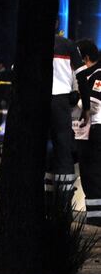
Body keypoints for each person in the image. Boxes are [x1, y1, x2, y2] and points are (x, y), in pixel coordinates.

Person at [49, 28, 85, 199]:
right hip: (61, 102)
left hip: (36, 103)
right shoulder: (68, 44)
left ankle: (43, 197)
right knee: (63, 150)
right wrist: (83, 104)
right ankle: (64, 203)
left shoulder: (31, 42)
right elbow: (82, 75)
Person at [75, 40, 101, 224]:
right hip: (91, 130)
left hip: (96, 130)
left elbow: (92, 105)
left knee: (92, 175)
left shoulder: (98, 75)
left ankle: (95, 220)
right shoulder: (90, 75)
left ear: (85, 58)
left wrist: (74, 99)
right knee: (90, 174)